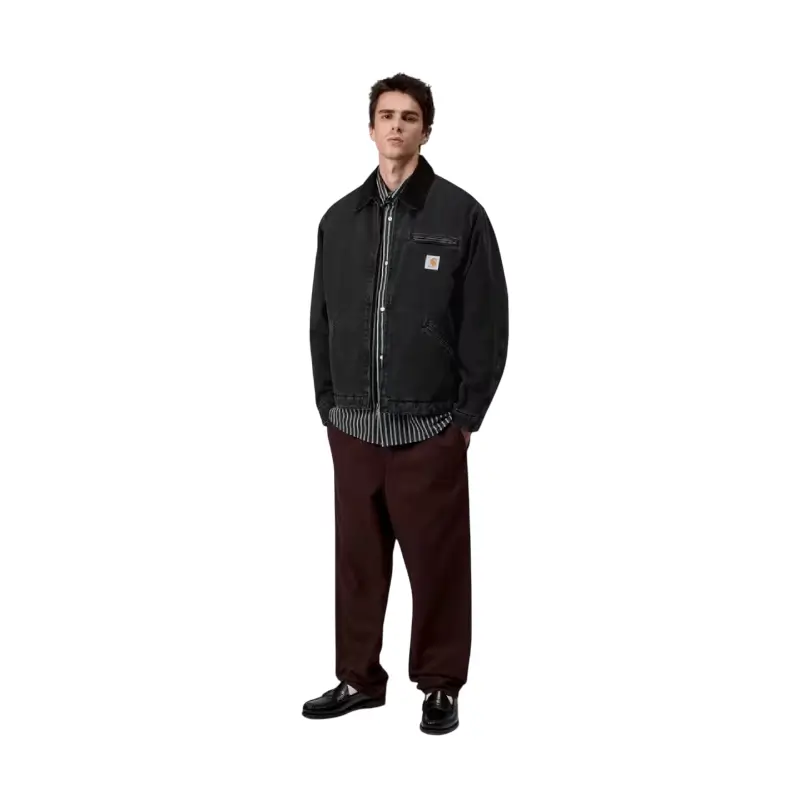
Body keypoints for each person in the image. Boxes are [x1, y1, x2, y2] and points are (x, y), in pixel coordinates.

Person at [303, 73, 508, 735]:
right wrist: (329, 405)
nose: (396, 125)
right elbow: (321, 319)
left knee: (438, 566)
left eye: (409, 116)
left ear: (426, 130)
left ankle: (441, 685)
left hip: (429, 429)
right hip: (353, 429)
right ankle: (358, 678)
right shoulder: (338, 220)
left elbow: (486, 322)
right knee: (357, 566)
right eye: (386, 115)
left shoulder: (460, 215)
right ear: (370, 128)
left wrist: (466, 417)